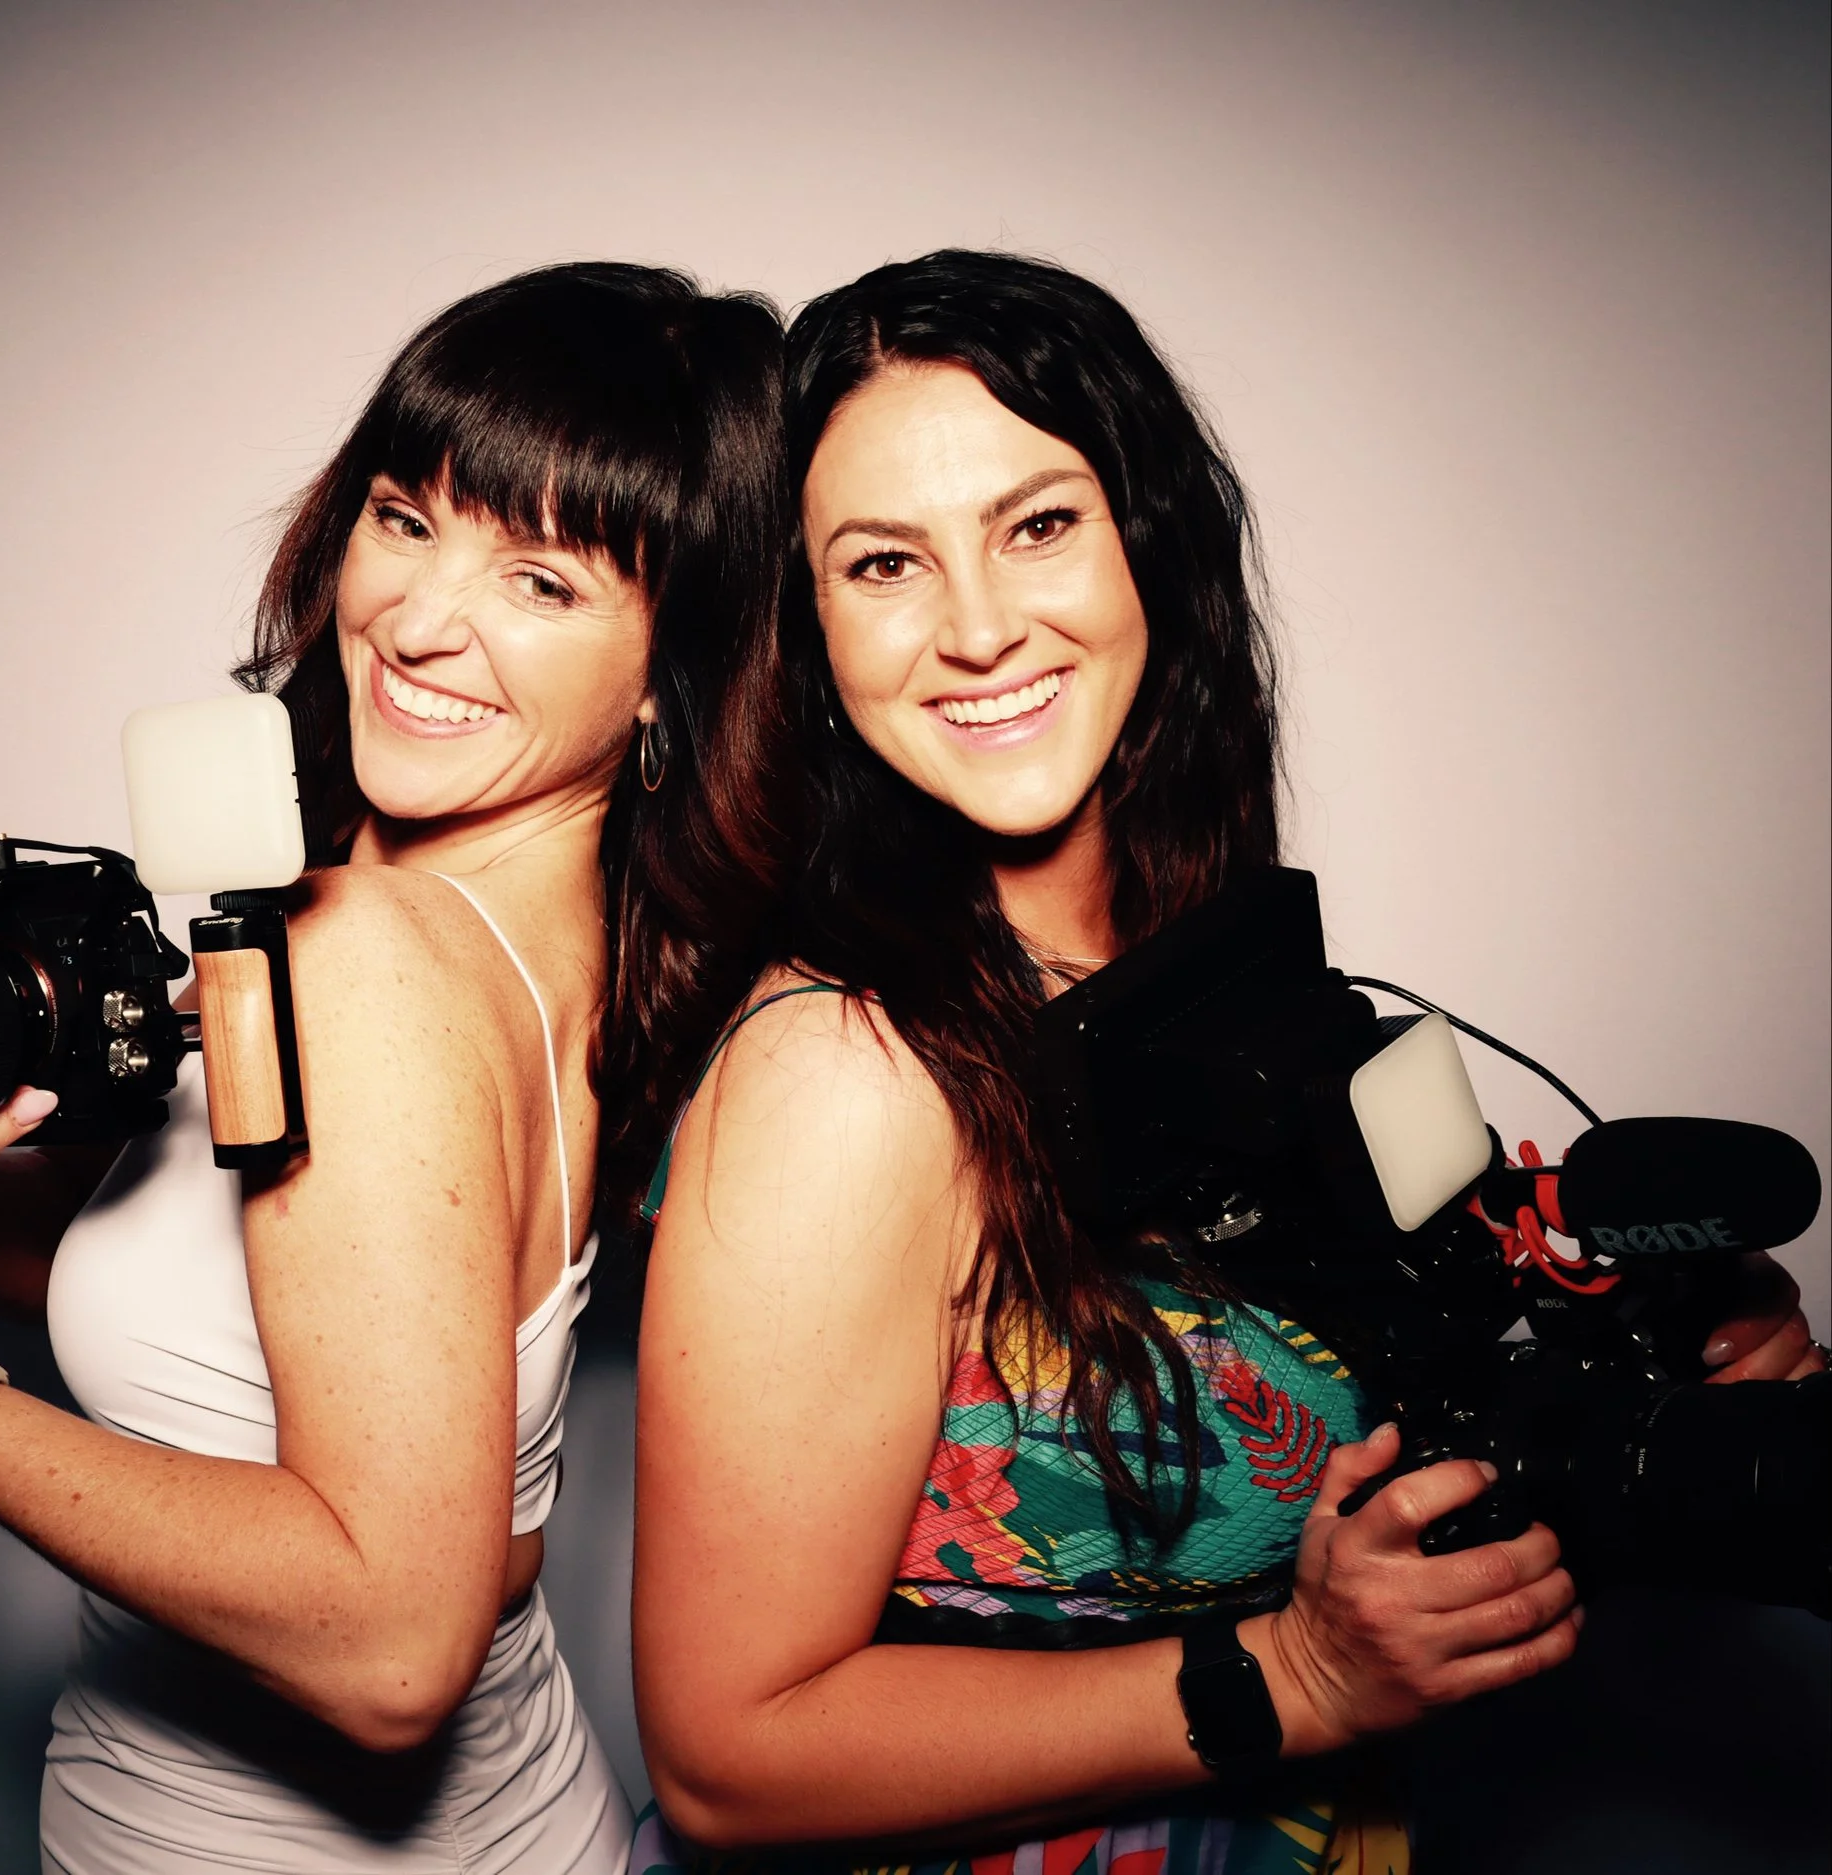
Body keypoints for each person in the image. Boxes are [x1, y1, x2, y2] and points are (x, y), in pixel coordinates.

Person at [624, 249, 1823, 1874]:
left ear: (1151, 547)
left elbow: (1414, 1319)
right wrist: (1300, 1674)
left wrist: (1656, 1322)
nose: (980, 628)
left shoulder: (1209, 961)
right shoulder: (848, 1074)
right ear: (807, 628)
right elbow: (725, 1758)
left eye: (1037, 522)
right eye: (884, 562)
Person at [0, 260, 785, 1872]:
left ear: (674, 667)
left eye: (546, 582)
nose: (422, 621)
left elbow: (389, 1649)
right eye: (406, 515)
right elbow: (246, 1333)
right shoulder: (572, 941)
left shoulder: (374, 955)